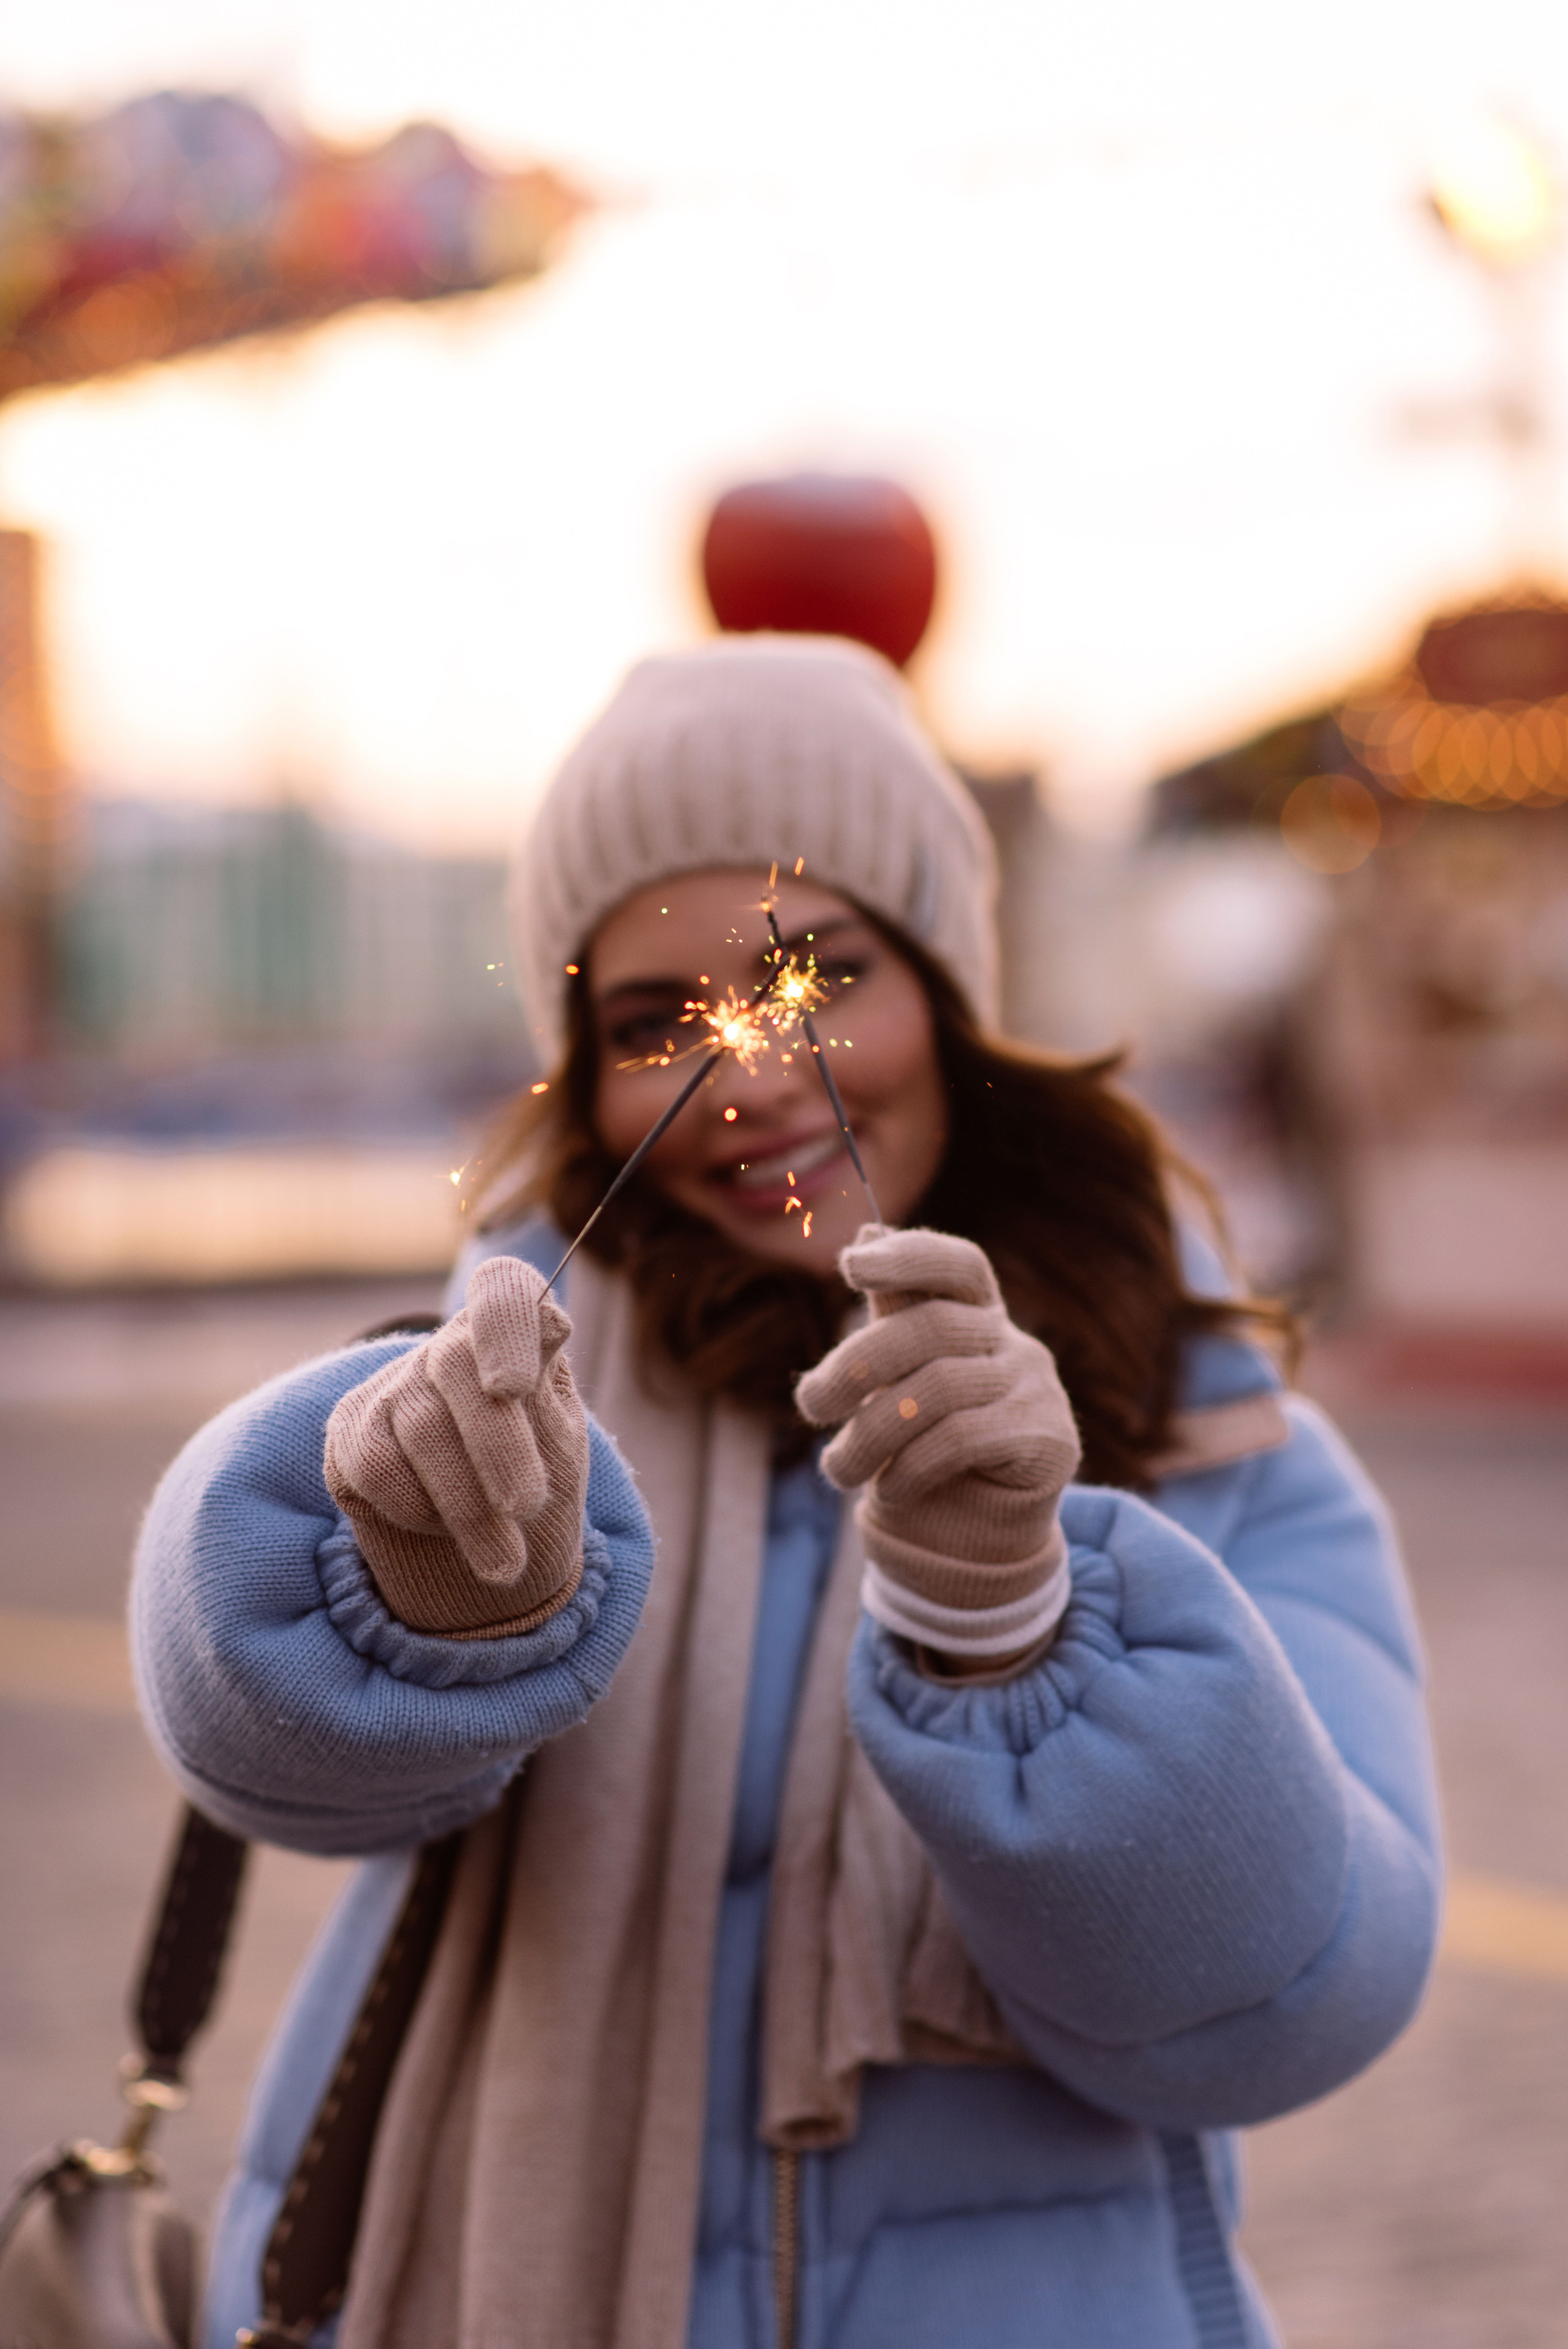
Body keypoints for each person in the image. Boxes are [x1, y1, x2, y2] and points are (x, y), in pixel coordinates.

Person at [132, 635, 1442, 2349]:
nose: (748, 1068)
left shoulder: (1217, 1445)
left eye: (814, 973)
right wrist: (433, 1590)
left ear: (948, 993)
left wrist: (1012, 1624)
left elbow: (1293, 1999)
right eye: (648, 1021)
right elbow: (250, 1738)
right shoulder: (500, 1378)